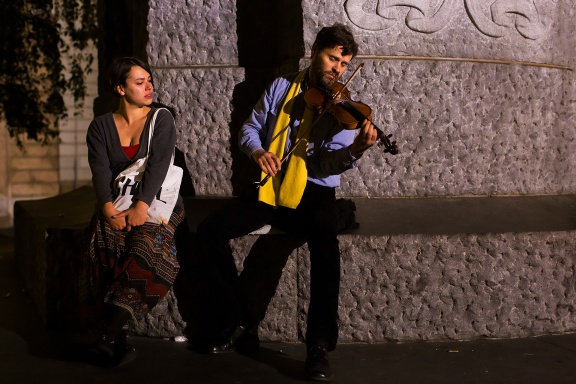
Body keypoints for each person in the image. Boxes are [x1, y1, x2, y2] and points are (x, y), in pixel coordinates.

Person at [195, 24, 376, 381]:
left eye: (344, 63)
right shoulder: (281, 87)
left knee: (325, 242)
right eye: (332, 58)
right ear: (314, 51)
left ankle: (319, 345)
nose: (338, 69)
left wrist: (355, 149)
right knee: (209, 232)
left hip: (314, 188)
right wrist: (258, 150)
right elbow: (250, 127)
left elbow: (327, 165)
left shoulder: (343, 108)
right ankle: (237, 318)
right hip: (270, 184)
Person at [85, 56, 185, 366]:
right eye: (139, 82)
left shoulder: (161, 118)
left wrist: (141, 208)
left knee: (149, 250)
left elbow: (157, 166)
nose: (148, 86)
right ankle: (120, 339)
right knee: (105, 245)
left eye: (149, 80)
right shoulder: (101, 126)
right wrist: (107, 211)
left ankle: (107, 333)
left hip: (157, 205)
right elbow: (100, 171)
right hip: (117, 204)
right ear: (119, 88)